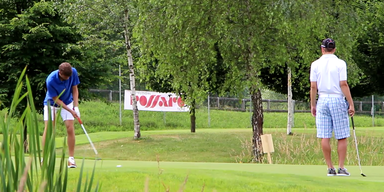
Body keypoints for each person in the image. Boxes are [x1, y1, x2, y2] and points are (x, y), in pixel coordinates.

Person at [310, 38, 355, 176]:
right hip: (337, 99)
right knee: (341, 135)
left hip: (322, 99)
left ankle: (330, 167)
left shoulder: (315, 64)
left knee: (325, 135)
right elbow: (343, 84)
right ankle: (341, 167)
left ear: (322, 48)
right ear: (334, 49)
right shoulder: (340, 63)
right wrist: (351, 103)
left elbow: (313, 86)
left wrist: (313, 104)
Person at [42, 62, 80, 168]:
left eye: (69, 76)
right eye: (65, 77)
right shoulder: (50, 80)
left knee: (70, 128)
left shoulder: (73, 72)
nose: (68, 79)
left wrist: (75, 107)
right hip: (51, 103)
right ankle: (44, 158)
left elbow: (75, 89)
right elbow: (56, 99)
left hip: (68, 101)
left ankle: (71, 159)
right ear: (60, 73)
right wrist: (70, 110)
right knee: (49, 129)